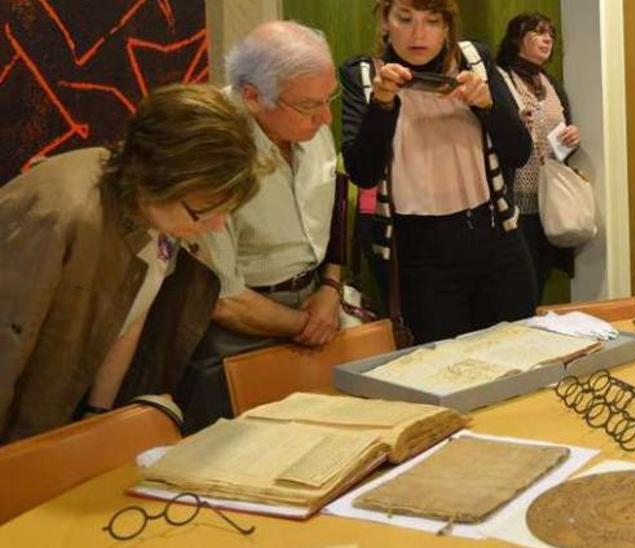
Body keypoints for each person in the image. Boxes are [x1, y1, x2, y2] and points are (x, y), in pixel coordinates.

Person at [0, 84, 262, 442]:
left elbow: (129, 314)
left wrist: (99, 418)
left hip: (68, 423)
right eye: (203, 212)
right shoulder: (60, 215)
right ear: (156, 176)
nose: (215, 226)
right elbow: (8, 345)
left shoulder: (153, 212)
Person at [182, 21, 345, 432]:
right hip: (238, 330)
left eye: (329, 100)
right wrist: (304, 325)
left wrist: (331, 288)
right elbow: (223, 298)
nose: (325, 118)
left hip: (319, 304)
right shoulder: (210, 146)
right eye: (310, 106)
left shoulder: (308, 123)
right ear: (253, 96)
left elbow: (334, 213)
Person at [341, 0, 534, 343]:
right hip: (418, 250)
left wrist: (488, 105)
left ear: (447, 26)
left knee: (517, 351)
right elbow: (363, 173)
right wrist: (382, 105)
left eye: (432, 21)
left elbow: (519, 152)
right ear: (385, 21)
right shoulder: (366, 76)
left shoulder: (475, 60)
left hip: (495, 236)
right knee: (442, 370)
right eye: (405, 19)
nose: (418, 33)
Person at [495, 12, 581, 303]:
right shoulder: (501, 79)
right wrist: (514, 124)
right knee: (514, 287)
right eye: (538, 32)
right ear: (517, 37)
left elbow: (555, 147)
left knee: (540, 281)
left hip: (548, 201)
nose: (547, 39)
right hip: (513, 202)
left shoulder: (550, 83)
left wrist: (569, 141)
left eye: (551, 34)